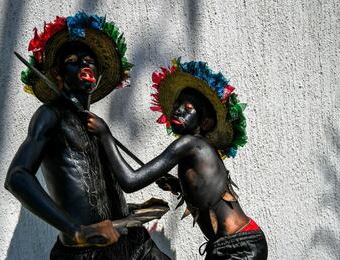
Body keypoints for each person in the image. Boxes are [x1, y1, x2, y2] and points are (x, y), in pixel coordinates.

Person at [5, 12, 170, 260]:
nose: (84, 63)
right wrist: (77, 230)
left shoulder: (98, 126)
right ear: (58, 77)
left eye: (89, 59)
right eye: (72, 60)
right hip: (87, 253)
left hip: (131, 242)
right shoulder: (50, 115)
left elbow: (124, 181)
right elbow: (16, 177)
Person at [86, 58, 268, 259]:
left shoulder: (188, 143)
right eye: (177, 104)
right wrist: (178, 185)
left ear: (206, 123)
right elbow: (208, 189)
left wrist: (105, 135)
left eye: (188, 108)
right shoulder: (197, 149)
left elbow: (130, 181)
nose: (178, 110)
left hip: (239, 248)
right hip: (232, 245)